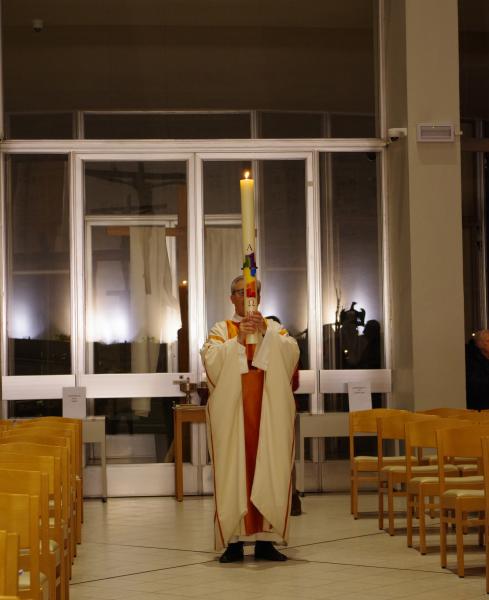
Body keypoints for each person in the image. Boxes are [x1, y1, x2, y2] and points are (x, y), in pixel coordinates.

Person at [201, 276, 300, 563]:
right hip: (234, 413)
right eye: (242, 293)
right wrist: (240, 340)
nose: (248, 298)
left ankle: (266, 542)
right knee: (235, 471)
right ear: (232, 297)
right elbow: (211, 361)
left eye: (254, 293)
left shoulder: (274, 327)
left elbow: (291, 352)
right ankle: (233, 541)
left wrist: (266, 335)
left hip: (267, 411)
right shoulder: (222, 329)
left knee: (268, 467)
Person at [466, 329, 489, 410]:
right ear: (479, 344)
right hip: (479, 405)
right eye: (488, 341)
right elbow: (474, 384)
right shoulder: (472, 360)